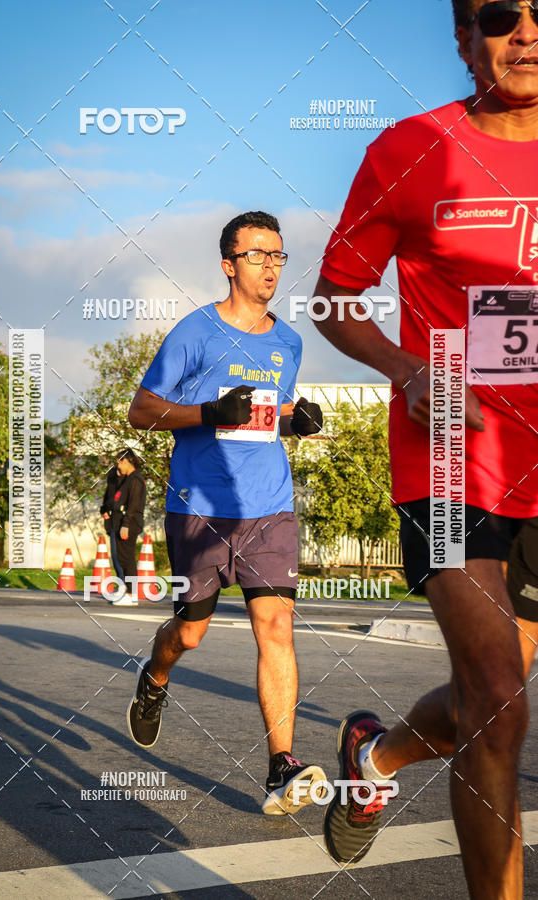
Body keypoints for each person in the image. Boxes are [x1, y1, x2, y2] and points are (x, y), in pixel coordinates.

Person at [314, 1, 538, 894]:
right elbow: (334, 297)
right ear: (464, 39)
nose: (526, 31)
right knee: (498, 699)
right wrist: (408, 369)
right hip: (451, 457)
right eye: (501, 13)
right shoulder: (413, 149)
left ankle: (375, 754)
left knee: (490, 704)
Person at [127, 210, 326, 815]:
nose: (270, 266)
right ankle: (155, 677)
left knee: (277, 628)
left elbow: (267, 418)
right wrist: (209, 413)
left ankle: (281, 768)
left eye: (278, 255)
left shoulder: (288, 343)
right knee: (191, 632)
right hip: (201, 508)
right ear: (229, 265)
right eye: (257, 254)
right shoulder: (196, 332)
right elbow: (142, 411)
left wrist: (297, 421)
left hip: (269, 507)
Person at [109, 448, 146, 606]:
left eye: (120, 463)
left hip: (129, 524)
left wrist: (126, 525)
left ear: (127, 461)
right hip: (121, 522)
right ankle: (126, 589)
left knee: (127, 558)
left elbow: (133, 505)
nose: (118, 466)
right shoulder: (128, 479)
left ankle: (132, 594)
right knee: (122, 558)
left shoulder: (136, 480)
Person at [100, 464, 125, 580]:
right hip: (113, 523)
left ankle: (125, 583)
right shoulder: (113, 477)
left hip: (123, 522)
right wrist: (104, 510)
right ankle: (122, 581)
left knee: (121, 556)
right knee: (116, 556)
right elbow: (108, 499)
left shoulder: (129, 481)